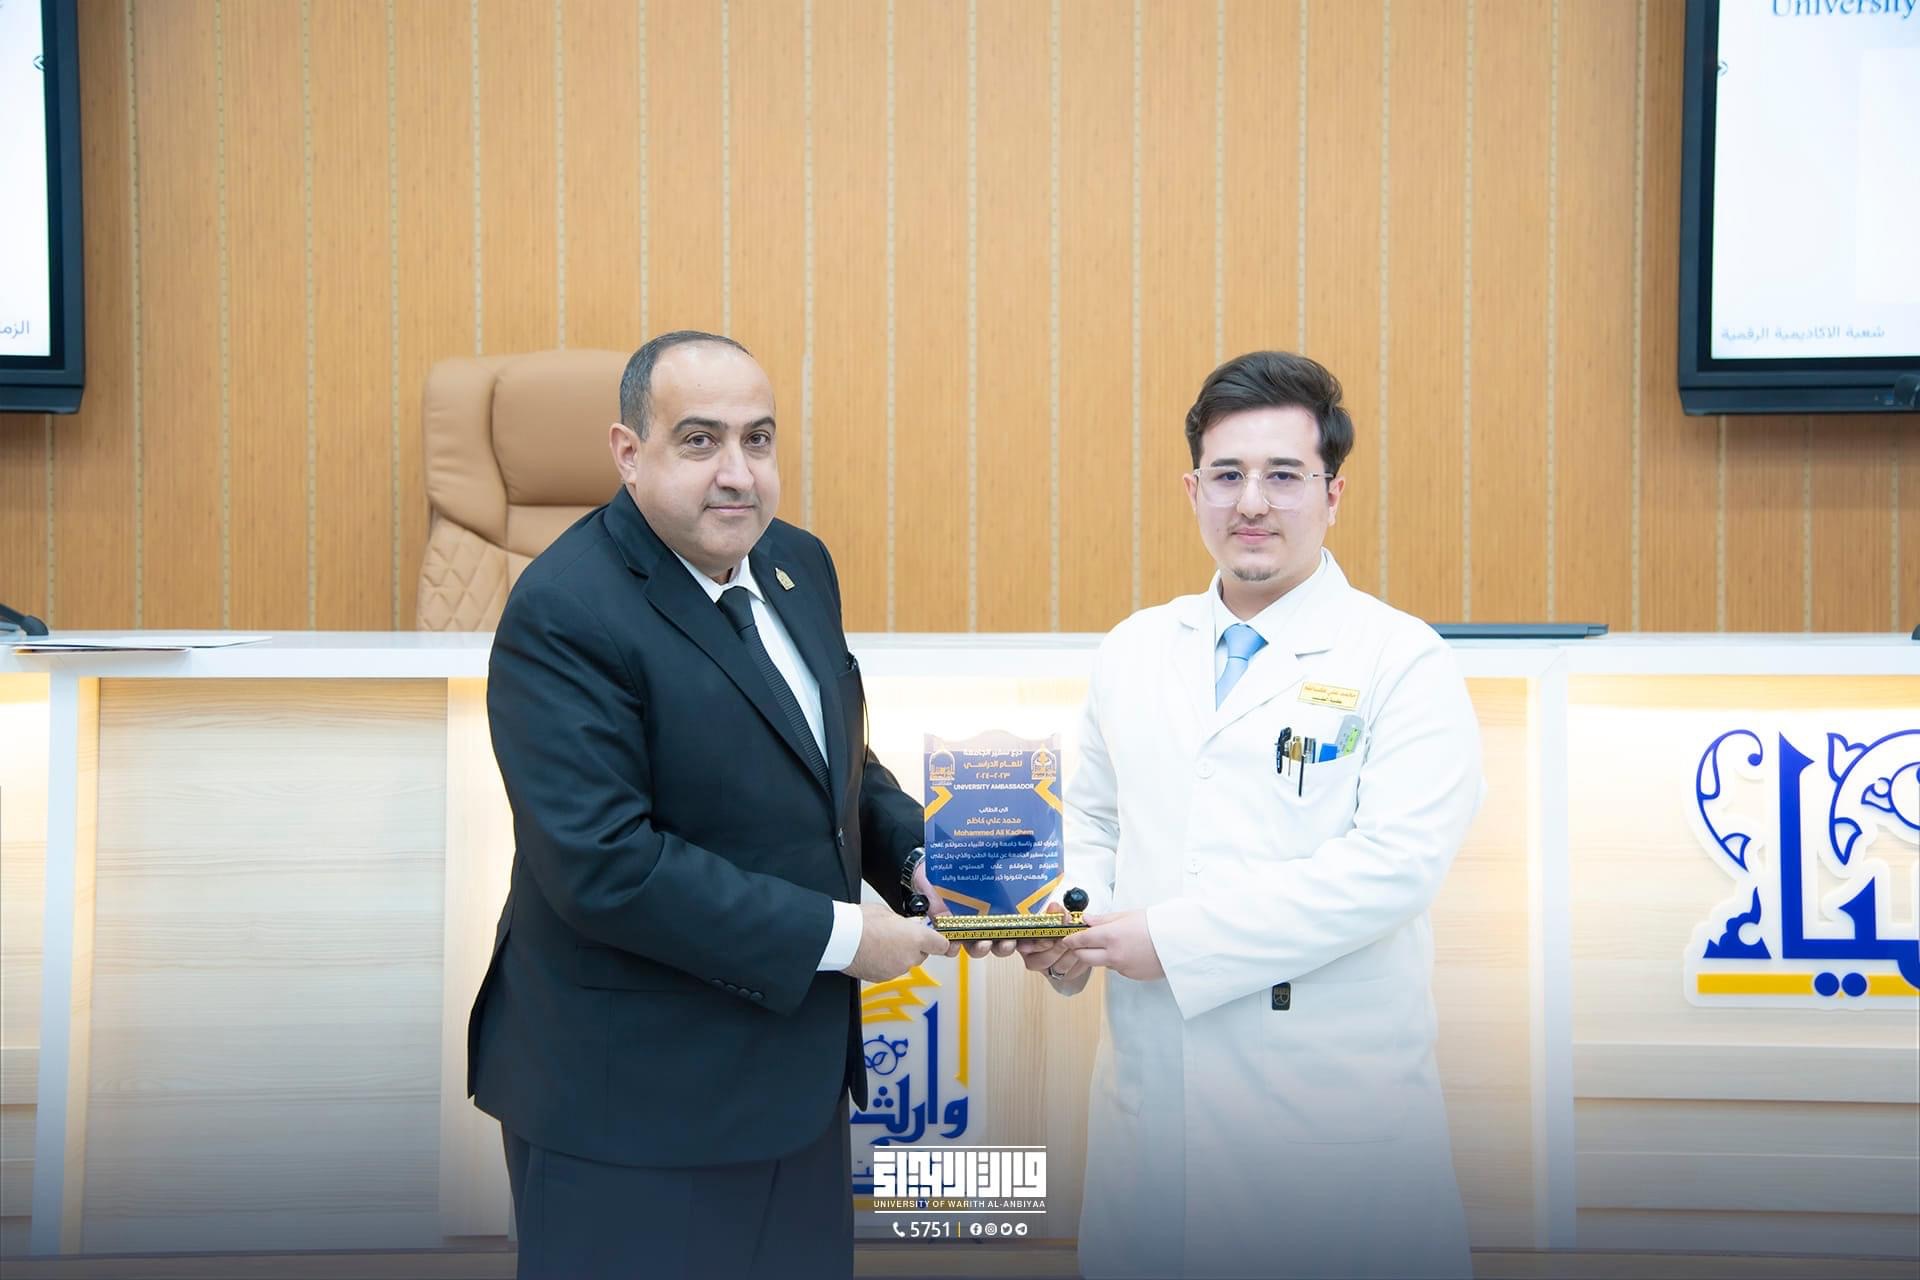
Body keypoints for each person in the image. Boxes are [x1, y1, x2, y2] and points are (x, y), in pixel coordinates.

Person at [467, 330, 953, 1280]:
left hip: (794, 1089)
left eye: (758, 439)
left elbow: (832, 759)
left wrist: (916, 859)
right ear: (628, 452)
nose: (738, 473)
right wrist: (846, 937)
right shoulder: (565, 608)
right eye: (700, 441)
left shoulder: (797, 563)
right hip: (631, 1107)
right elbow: (607, 866)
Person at [1019, 351, 1483, 1279]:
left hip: (1331, 1119)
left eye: (1284, 476)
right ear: (1193, 490)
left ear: (1333, 494)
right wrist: (1069, 922)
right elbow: (1093, 823)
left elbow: (1393, 869)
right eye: (1227, 475)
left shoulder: (1401, 659)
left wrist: (1174, 941)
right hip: (1156, 1099)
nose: (1253, 503)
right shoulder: (1136, 649)